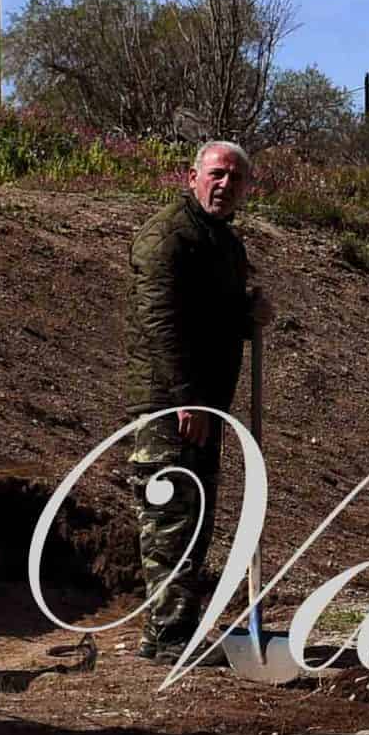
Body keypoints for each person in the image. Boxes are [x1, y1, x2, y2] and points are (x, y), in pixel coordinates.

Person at [128, 140, 274, 659]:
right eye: (216, 174)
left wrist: (248, 314)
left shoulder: (224, 243)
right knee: (170, 519)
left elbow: (214, 317)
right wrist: (186, 399)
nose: (225, 185)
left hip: (205, 405)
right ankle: (169, 637)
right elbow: (160, 322)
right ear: (192, 177)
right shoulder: (168, 237)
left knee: (196, 519)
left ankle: (174, 631)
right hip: (170, 405)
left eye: (236, 178)